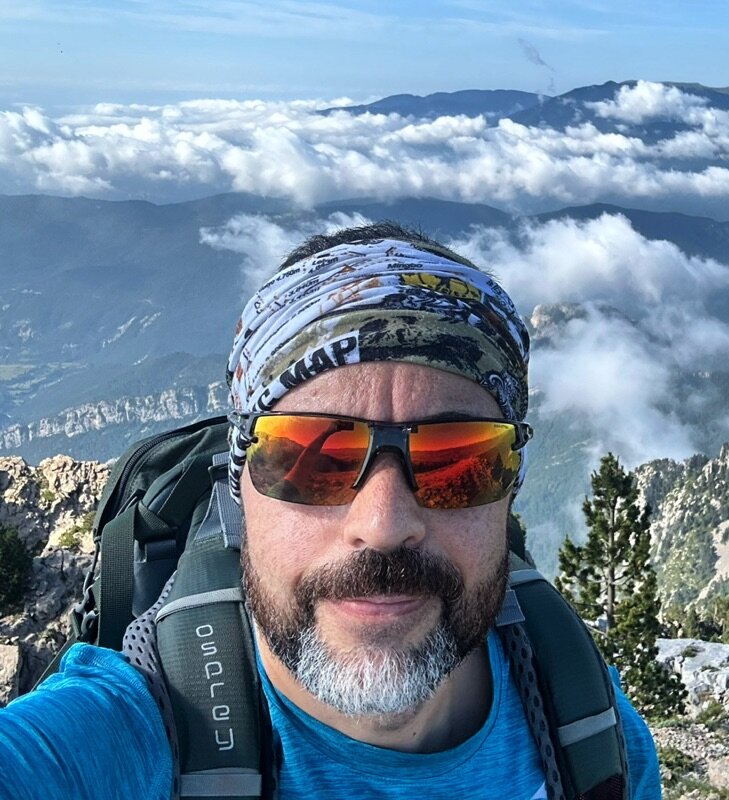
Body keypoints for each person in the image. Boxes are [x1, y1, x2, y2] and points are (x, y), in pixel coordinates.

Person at [0, 223, 661, 799]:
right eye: (312, 461)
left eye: (456, 461)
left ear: (510, 489)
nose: (384, 524)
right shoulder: (128, 732)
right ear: (239, 487)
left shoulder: (598, 741)